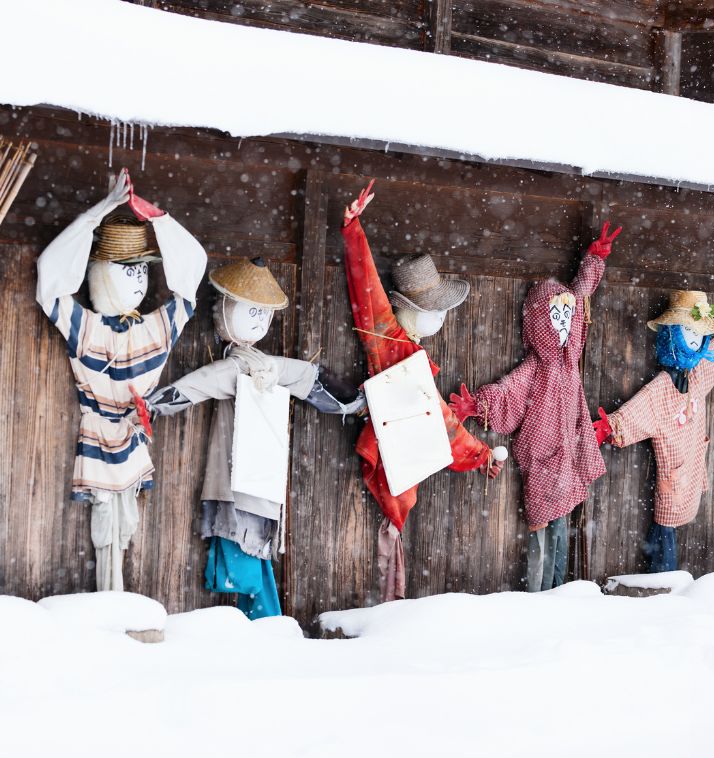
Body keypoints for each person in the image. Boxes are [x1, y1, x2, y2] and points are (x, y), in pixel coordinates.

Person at [146, 257, 364, 618]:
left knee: (251, 552)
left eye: (264, 314)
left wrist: (354, 403)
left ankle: (264, 621)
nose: (259, 321)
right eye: (251, 312)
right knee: (245, 552)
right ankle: (262, 620)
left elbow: (308, 378)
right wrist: (155, 405)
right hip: (239, 472)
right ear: (225, 311)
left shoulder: (270, 366)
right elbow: (202, 383)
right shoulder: (236, 368)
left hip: (259, 470)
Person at [36, 169, 207, 591]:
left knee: (120, 525)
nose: (136, 280)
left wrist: (160, 220)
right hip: (98, 433)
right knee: (107, 526)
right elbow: (51, 283)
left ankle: (116, 598)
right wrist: (97, 214)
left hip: (130, 435)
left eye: (140, 271)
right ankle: (110, 598)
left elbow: (191, 278)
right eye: (125, 270)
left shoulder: (153, 329)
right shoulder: (89, 329)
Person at [342, 180, 501, 602]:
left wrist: (479, 452)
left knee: (394, 532)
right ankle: (386, 601)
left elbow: (445, 425)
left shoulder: (405, 349)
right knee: (390, 532)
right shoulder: (390, 341)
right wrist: (353, 230)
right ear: (413, 310)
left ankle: (390, 597)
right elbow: (367, 289)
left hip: (401, 447)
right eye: (437, 312)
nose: (441, 321)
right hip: (392, 447)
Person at [450, 222, 620, 591]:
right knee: (541, 528)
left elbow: (579, 295)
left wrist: (593, 261)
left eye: (566, 319)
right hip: (542, 458)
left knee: (562, 527)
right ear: (540, 322)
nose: (561, 327)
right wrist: (478, 404)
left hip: (568, 452)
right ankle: (538, 595)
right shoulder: (536, 368)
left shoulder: (570, 360)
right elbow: (509, 389)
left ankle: (559, 590)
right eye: (553, 318)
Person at [592, 291, 714, 572]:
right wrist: (609, 427)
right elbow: (637, 411)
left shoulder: (696, 377)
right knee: (665, 532)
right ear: (672, 335)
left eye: (699, 334)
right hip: (673, 479)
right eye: (688, 331)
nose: (694, 340)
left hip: (691, 468)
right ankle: (662, 586)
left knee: (668, 534)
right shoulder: (661, 389)